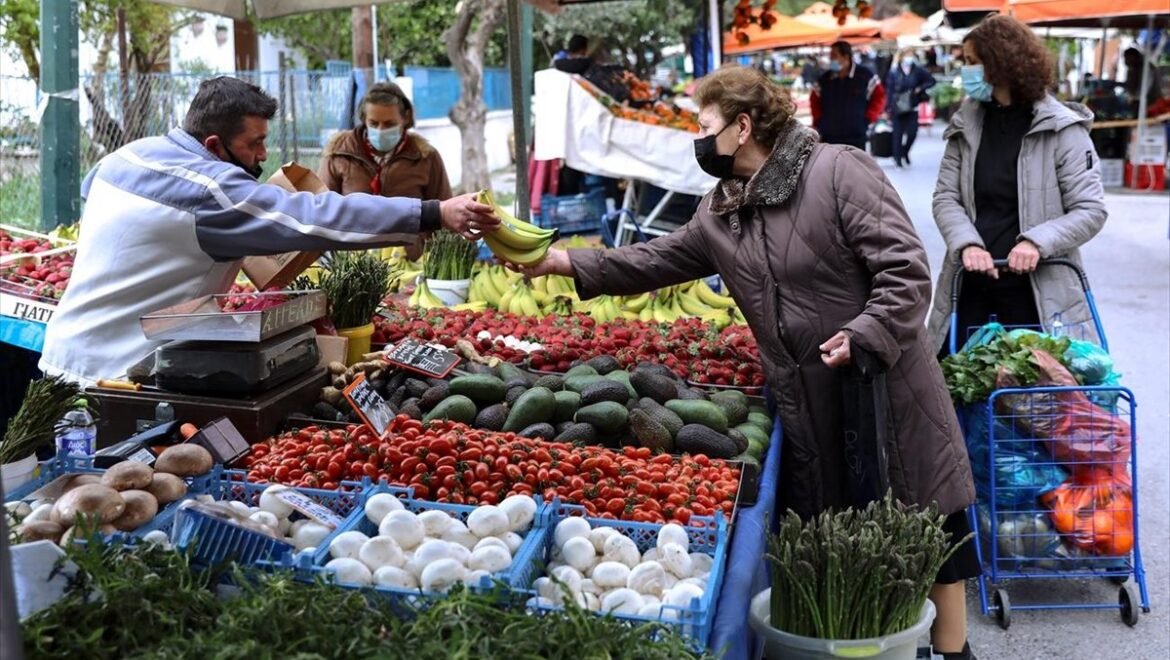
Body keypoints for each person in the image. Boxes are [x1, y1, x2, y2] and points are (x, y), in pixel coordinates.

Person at [513, 66, 978, 659]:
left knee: (924, 526)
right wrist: (560, 263)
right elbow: (655, 259)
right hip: (807, 400)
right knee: (854, 549)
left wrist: (865, 333)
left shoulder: (838, 171)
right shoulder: (719, 211)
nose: (697, 138)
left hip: (884, 388)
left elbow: (906, 271)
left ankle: (954, 652)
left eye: (703, 125)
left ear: (742, 125)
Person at [39, 76, 497, 386]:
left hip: (62, 352)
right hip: (115, 372)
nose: (263, 155)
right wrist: (433, 213)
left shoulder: (127, 156)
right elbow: (320, 216)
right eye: (254, 143)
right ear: (215, 145)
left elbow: (92, 193)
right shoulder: (212, 189)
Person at [929, 14, 1108, 360]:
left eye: (971, 62)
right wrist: (967, 245)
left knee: (1035, 402)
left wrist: (1036, 242)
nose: (965, 72)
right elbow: (945, 197)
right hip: (969, 287)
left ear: (998, 63)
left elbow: (1091, 210)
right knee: (956, 393)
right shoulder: (965, 125)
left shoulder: (1063, 130)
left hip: (1039, 294)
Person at [319, 82, 452, 261]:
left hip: (410, 263)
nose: (380, 130)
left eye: (389, 124)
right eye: (374, 123)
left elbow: (445, 214)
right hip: (352, 264)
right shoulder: (339, 154)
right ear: (364, 119)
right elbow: (321, 211)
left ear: (405, 118)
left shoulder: (425, 157)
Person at [810, 41, 886, 149]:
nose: (831, 60)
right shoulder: (824, 79)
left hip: (857, 135)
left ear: (846, 57)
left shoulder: (865, 76)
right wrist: (819, 122)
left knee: (856, 165)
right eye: (830, 56)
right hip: (830, 137)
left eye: (834, 56)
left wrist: (868, 118)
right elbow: (814, 101)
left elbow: (879, 97)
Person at [885, 48, 936, 168]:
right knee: (897, 134)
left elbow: (931, 81)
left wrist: (920, 88)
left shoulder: (918, 70)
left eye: (911, 55)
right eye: (907, 55)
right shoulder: (894, 71)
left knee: (912, 133)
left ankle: (905, 152)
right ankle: (897, 158)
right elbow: (889, 90)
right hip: (897, 106)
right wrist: (887, 107)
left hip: (912, 105)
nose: (909, 58)